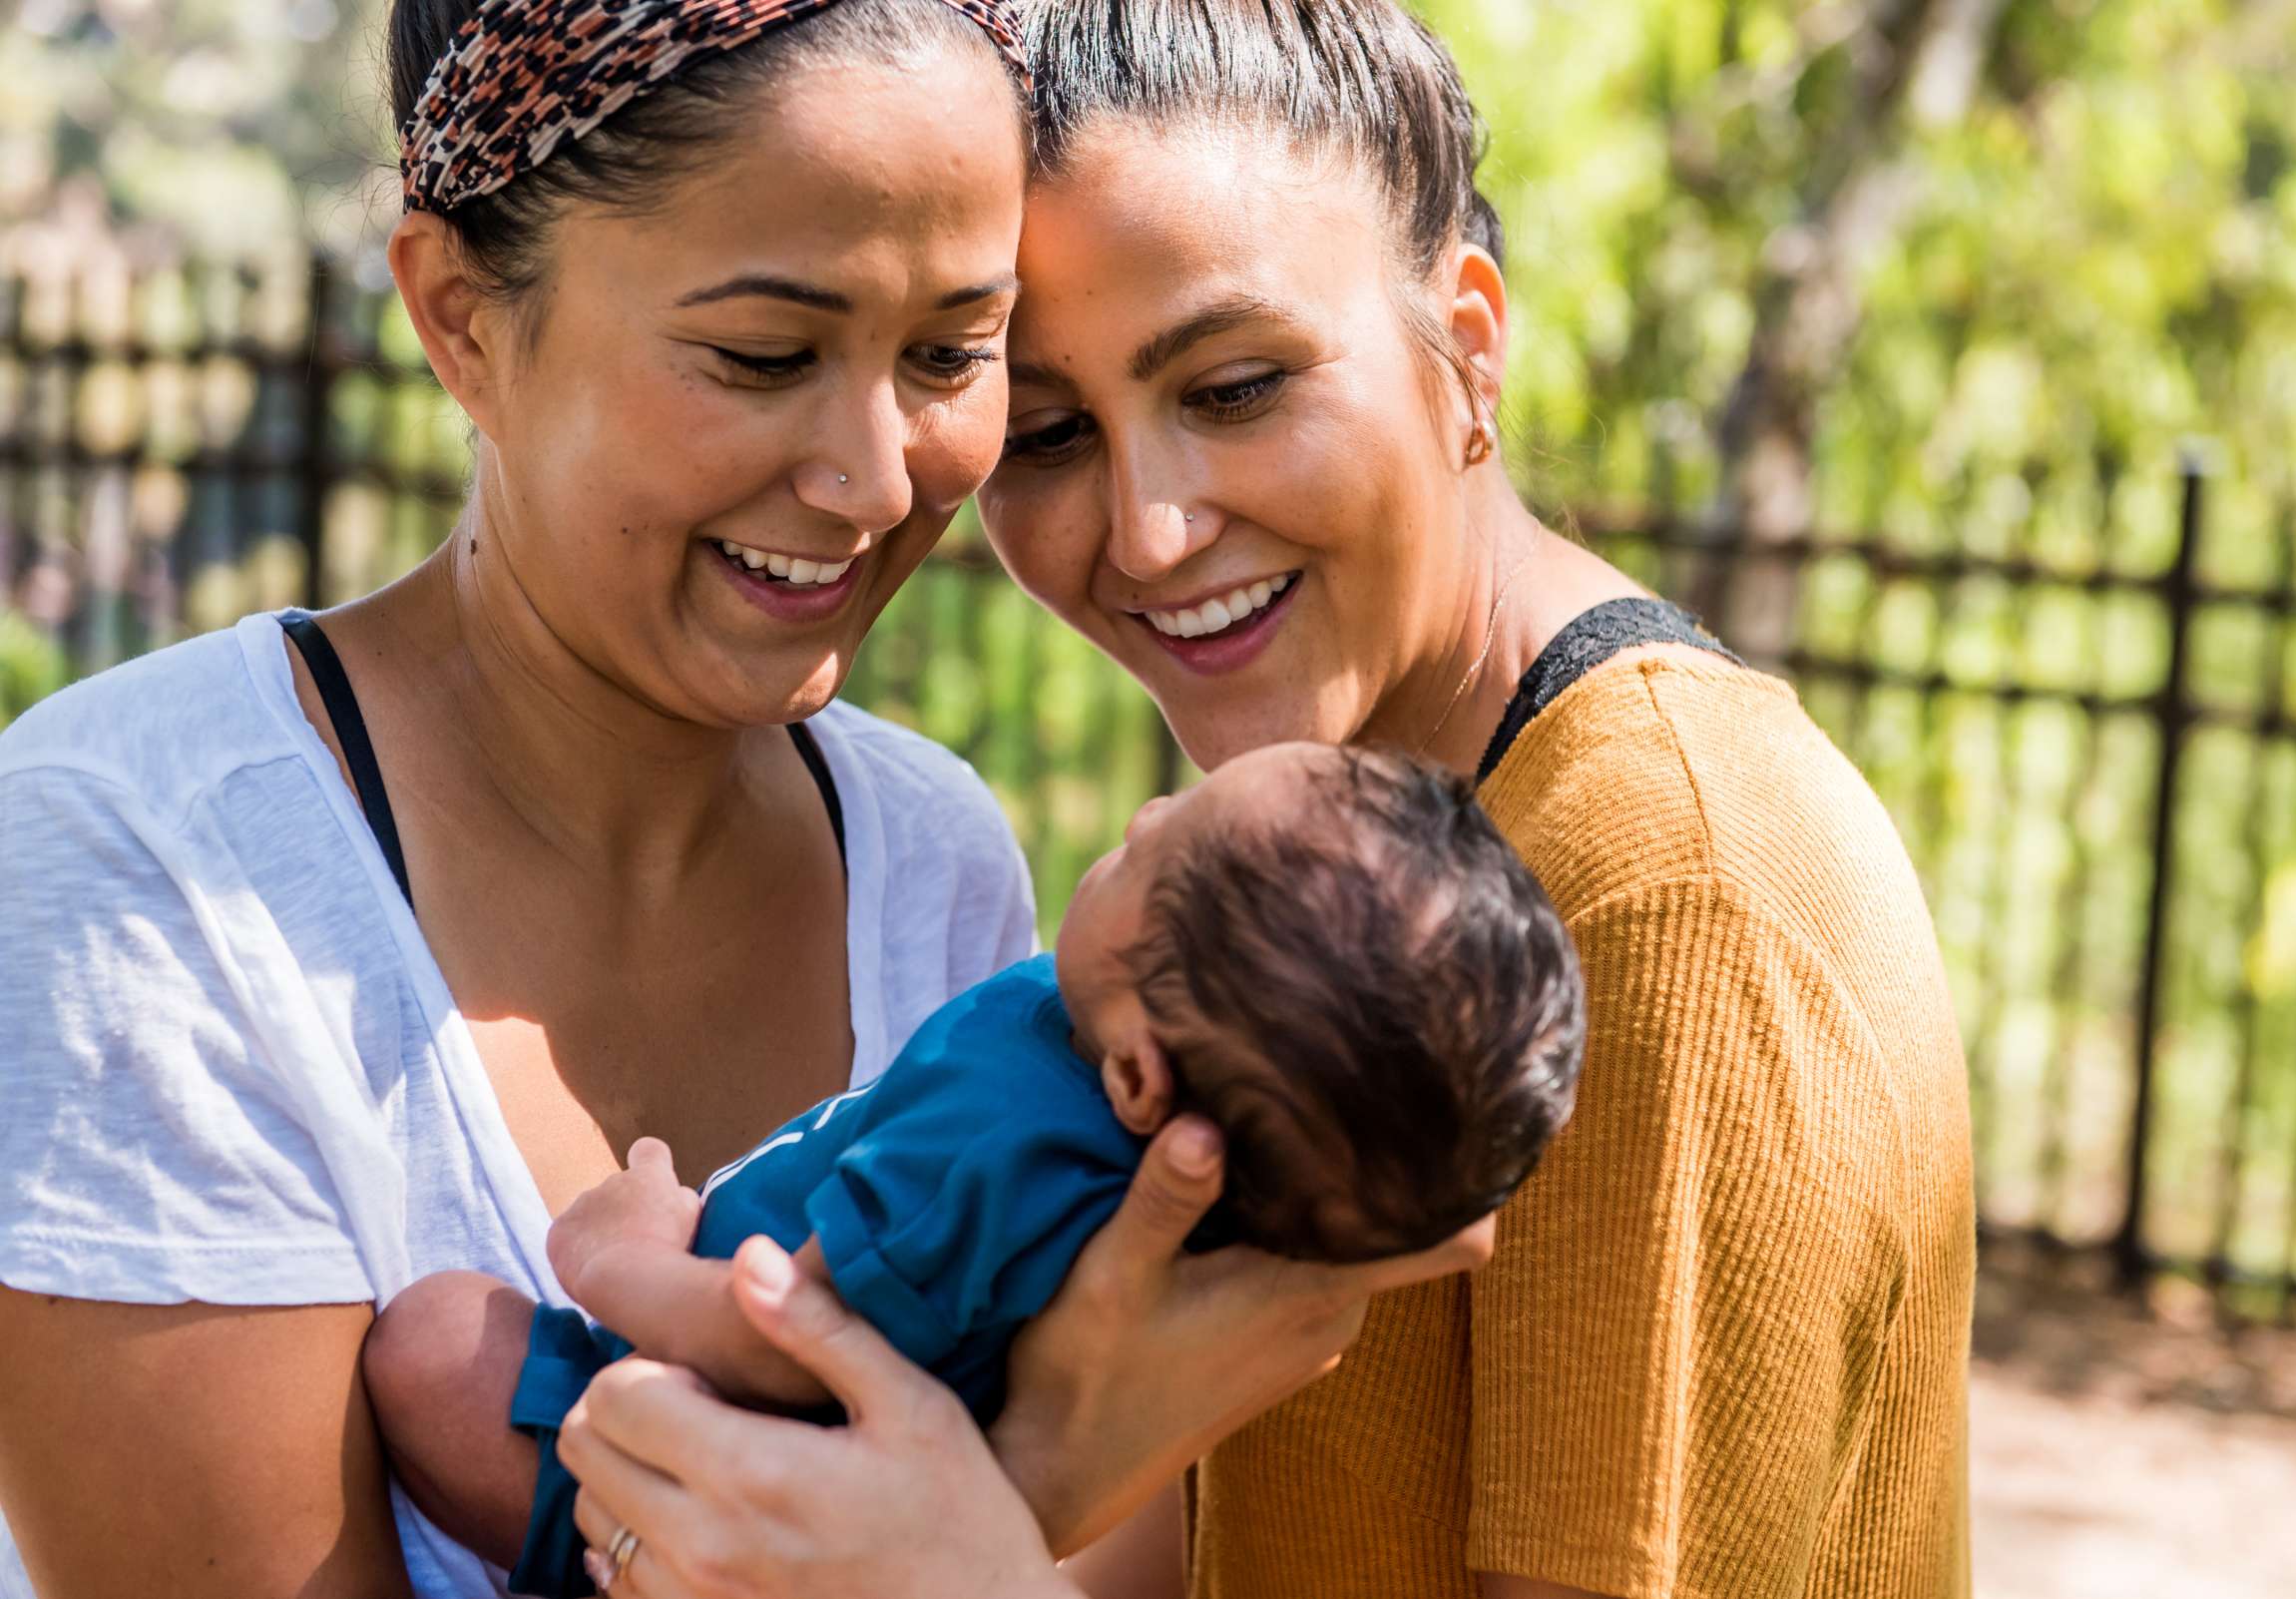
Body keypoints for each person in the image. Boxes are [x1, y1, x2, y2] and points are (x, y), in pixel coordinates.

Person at [0, 5, 1490, 1595]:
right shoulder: (142, 871)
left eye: (950, 353)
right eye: (765, 355)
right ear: (459, 320)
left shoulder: (932, 863)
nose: (873, 472)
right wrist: (1027, 1481)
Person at [553, 2, 1978, 1597]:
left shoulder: (1663, 896)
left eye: (1234, 387)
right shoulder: (1307, 878)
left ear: (1471, 348)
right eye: (1048, 432)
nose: (1151, 529)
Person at [363, 741, 1586, 1596]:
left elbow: (781, 1332)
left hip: (700, 1451)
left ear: (1141, 1083)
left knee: (430, 1346)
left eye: (1156, 857)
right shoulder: (1167, 1116)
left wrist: (611, 1251)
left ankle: (561, 1546)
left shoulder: (1006, 1149)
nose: (1144, 816)